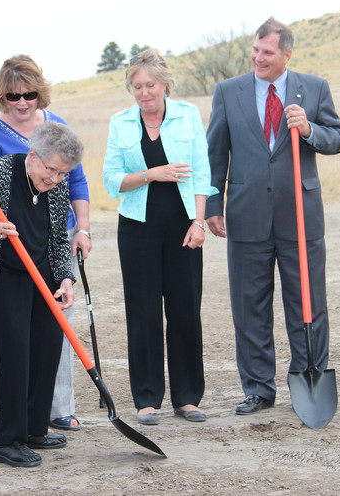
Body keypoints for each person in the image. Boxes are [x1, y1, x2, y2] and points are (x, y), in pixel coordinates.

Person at [206, 17, 340, 415]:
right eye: (255, 50)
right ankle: (257, 388)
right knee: (249, 306)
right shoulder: (228, 92)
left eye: (267, 52)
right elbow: (216, 152)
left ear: (287, 54)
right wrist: (213, 206)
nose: (258, 58)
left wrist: (310, 130)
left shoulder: (314, 88)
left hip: (300, 216)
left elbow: (336, 137)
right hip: (246, 214)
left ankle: (308, 375)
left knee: (308, 301)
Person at [0, 54, 91, 432]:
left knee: (49, 338)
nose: (22, 102)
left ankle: (45, 419)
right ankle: (13, 433)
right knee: (16, 348)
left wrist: (81, 232)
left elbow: (75, 190)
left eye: (29, 95)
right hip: (9, 258)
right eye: (13, 96)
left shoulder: (57, 150)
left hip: (50, 248)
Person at [0, 121, 81, 467]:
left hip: (43, 277)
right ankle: (7, 439)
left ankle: (34, 429)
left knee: (46, 351)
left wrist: (66, 279)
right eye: (51, 170)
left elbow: (57, 237)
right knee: (15, 357)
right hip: (5, 277)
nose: (55, 179)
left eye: (62, 173)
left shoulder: (57, 184)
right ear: (33, 155)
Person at [103, 48, 217, 425]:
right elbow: (112, 181)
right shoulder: (120, 123)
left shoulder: (188, 116)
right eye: (136, 86)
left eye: (150, 84)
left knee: (185, 311)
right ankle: (147, 398)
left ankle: (188, 398)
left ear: (165, 84)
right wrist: (153, 174)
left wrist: (199, 223)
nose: (144, 92)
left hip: (183, 226)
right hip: (137, 229)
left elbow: (202, 173)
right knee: (143, 314)